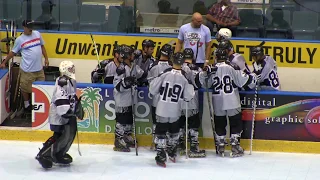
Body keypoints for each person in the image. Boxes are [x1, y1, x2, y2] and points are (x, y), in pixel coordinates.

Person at [196, 48, 257, 157]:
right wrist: (253, 77)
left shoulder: (212, 68)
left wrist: (204, 73)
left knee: (220, 123)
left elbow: (206, 83)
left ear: (216, 57)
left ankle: (220, 146)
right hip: (232, 99)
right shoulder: (233, 67)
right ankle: (235, 146)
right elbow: (244, 81)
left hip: (217, 100)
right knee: (236, 123)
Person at [149, 52, 195, 167]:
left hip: (162, 108)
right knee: (174, 131)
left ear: (171, 60)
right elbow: (189, 96)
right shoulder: (184, 77)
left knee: (161, 131)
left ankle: (160, 154)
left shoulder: (165, 73)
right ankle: (172, 151)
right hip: (175, 109)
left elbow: (153, 89)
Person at [35, 61, 81, 169]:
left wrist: (77, 107)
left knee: (68, 135)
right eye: (70, 69)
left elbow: (72, 96)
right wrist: (66, 111)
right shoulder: (62, 82)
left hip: (65, 113)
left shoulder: (71, 81)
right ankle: (43, 154)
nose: (72, 71)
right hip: (59, 115)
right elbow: (61, 98)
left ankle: (58, 154)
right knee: (60, 136)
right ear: (64, 70)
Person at [0, 20, 49, 113]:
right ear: (24, 27)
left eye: (32, 27)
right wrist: (4, 62)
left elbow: (42, 47)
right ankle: (27, 105)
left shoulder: (37, 34)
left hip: (39, 69)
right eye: (29, 28)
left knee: (41, 89)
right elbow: (13, 52)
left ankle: (38, 105)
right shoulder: (19, 40)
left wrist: (46, 58)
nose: (31, 29)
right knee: (25, 88)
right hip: (27, 70)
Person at [113, 45, 145, 152]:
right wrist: (125, 82)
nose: (133, 56)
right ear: (127, 55)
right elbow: (117, 86)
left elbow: (141, 74)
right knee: (121, 120)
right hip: (122, 99)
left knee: (129, 120)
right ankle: (118, 140)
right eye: (131, 54)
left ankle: (126, 136)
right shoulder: (121, 69)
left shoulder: (133, 66)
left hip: (131, 99)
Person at [178, 48, 205, 158]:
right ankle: (193, 148)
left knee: (180, 124)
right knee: (193, 124)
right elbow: (200, 84)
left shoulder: (177, 67)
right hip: (192, 100)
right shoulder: (198, 69)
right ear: (193, 57)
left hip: (179, 100)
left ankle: (179, 146)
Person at [147, 44, 173, 150]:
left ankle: (156, 142)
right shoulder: (172, 66)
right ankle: (167, 143)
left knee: (156, 122)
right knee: (167, 122)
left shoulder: (152, 65)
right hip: (168, 100)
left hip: (156, 99)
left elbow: (150, 83)